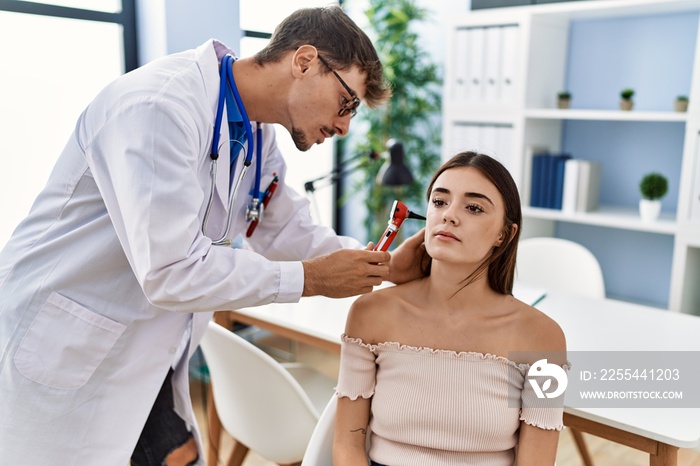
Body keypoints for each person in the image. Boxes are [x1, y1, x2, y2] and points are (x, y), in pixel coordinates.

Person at [0, 6, 425, 466]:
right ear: (304, 61)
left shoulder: (255, 136)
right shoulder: (159, 106)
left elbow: (283, 226)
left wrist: (382, 265)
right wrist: (311, 279)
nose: (345, 126)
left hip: (144, 345)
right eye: (347, 103)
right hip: (66, 337)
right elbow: (172, 270)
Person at [333, 152, 568, 466]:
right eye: (439, 202)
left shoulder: (544, 338)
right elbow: (346, 447)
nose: (449, 216)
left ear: (504, 234)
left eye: (473, 207)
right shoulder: (371, 313)